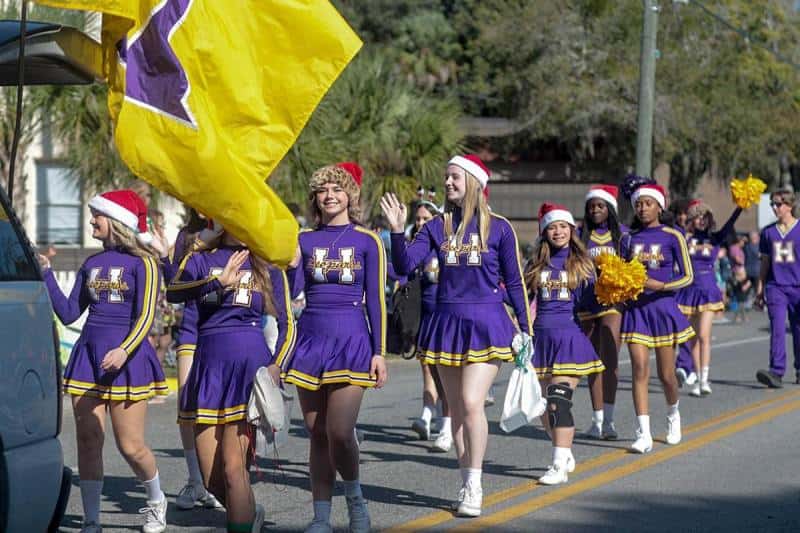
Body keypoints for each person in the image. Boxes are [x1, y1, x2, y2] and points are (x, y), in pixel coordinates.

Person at [381, 154, 531, 517]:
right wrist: (398, 230)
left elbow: (514, 281)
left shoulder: (500, 228)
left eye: (454, 177)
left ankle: (476, 484)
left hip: (487, 323)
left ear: (474, 182)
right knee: (459, 410)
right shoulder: (436, 226)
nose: (447, 183)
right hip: (446, 324)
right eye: (446, 178)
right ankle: (467, 479)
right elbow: (404, 266)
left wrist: (525, 329)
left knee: (470, 401)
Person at [39, 189, 169, 533]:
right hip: (88, 360)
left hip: (128, 361)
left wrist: (125, 350)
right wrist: (48, 274)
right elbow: (68, 313)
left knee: (130, 445)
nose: (91, 220)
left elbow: (145, 317)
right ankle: (91, 519)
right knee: (87, 441)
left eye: (96, 215)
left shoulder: (144, 263)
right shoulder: (91, 264)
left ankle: (156, 501)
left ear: (115, 221)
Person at [282, 162, 388, 533]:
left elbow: (376, 300)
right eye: (323, 190)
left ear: (350, 196)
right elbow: (292, 292)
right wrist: (289, 263)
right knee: (317, 431)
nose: (330, 195)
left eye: (337, 189)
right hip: (311, 338)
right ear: (315, 197)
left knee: (340, 431)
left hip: (353, 339)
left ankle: (356, 499)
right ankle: (321, 516)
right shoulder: (304, 239)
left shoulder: (368, 240)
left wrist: (380, 352)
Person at [169, 225, 293, 533]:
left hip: (248, 368)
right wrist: (213, 274)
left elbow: (287, 321)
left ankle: (241, 520)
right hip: (208, 366)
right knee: (212, 478)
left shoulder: (265, 262)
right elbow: (173, 290)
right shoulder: (201, 258)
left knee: (233, 468)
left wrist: (277, 364)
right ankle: (250, 513)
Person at [526, 203, 604, 485]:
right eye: (552, 226)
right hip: (541, 340)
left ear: (572, 230)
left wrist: (608, 290)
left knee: (559, 401)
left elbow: (591, 304)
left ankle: (558, 464)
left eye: (563, 226)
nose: (558, 231)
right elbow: (523, 300)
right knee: (544, 408)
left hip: (569, 339)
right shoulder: (535, 264)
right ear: (544, 231)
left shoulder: (582, 265)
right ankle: (564, 448)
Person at [620, 180, 695, 453]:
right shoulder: (627, 239)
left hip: (663, 309)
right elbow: (619, 271)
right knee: (639, 368)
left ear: (659, 206)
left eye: (648, 203)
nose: (642, 208)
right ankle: (643, 433)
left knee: (666, 375)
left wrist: (661, 286)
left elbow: (688, 276)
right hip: (636, 311)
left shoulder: (672, 235)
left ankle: (673, 415)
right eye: (638, 204)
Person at [674, 200, 742, 396]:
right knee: (693, 339)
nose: (701, 220)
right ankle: (696, 378)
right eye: (697, 217)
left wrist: (740, 206)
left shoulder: (715, 238)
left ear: (709, 219)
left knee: (704, 335)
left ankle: (705, 378)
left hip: (709, 291)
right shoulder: (685, 238)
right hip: (688, 292)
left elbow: (730, 223)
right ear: (692, 219)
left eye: (704, 217)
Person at [577, 185, 627, 440]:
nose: (595, 210)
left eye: (600, 206)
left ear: (610, 209)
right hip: (586, 303)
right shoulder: (579, 234)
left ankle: (609, 420)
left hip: (613, 302)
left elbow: (632, 266)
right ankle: (597, 421)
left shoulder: (622, 236)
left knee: (610, 358)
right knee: (592, 363)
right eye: (592, 206)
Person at [405, 199, 453, 452]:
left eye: (427, 219)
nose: (421, 223)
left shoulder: (447, 248)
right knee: (430, 373)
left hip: (447, 319)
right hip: (425, 321)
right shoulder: (418, 249)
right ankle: (428, 416)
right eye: (419, 219)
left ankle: (446, 428)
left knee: (445, 377)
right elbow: (402, 273)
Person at [755, 189, 800, 387]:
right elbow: (764, 264)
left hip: (798, 287)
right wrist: (760, 289)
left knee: (798, 330)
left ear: (789, 206)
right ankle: (776, 372)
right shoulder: (768, 233)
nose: (774, 207)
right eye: (772, 204)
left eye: (778, 204)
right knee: (778, 328)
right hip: (776, 287)